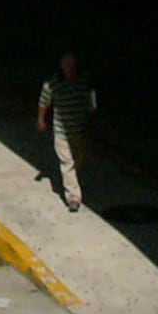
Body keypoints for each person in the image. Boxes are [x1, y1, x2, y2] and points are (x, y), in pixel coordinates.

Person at [36, 52, 97, 212]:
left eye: (72, 66)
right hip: (62, 131)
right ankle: (73, 197)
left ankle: (76, 183)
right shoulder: (53, 83)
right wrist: (41, 119)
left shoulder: (84, 82)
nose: (69, 69)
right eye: (66, 66)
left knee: (78, 160)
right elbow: (44, 102)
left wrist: (91, 118)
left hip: (79, 130)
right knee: (67, 163)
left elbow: (91, 102)